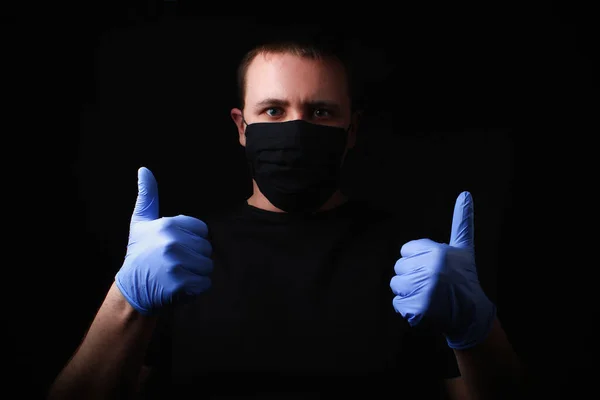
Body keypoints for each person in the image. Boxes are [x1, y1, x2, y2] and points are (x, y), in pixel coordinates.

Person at [48, 36, 525, 400]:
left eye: (320, 111)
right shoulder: (179, 258)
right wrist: (126, 301)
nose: (297, 129)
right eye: (273, 110)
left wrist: (477, 333)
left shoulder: (416, 264)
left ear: (351, 129)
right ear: (241, 126)